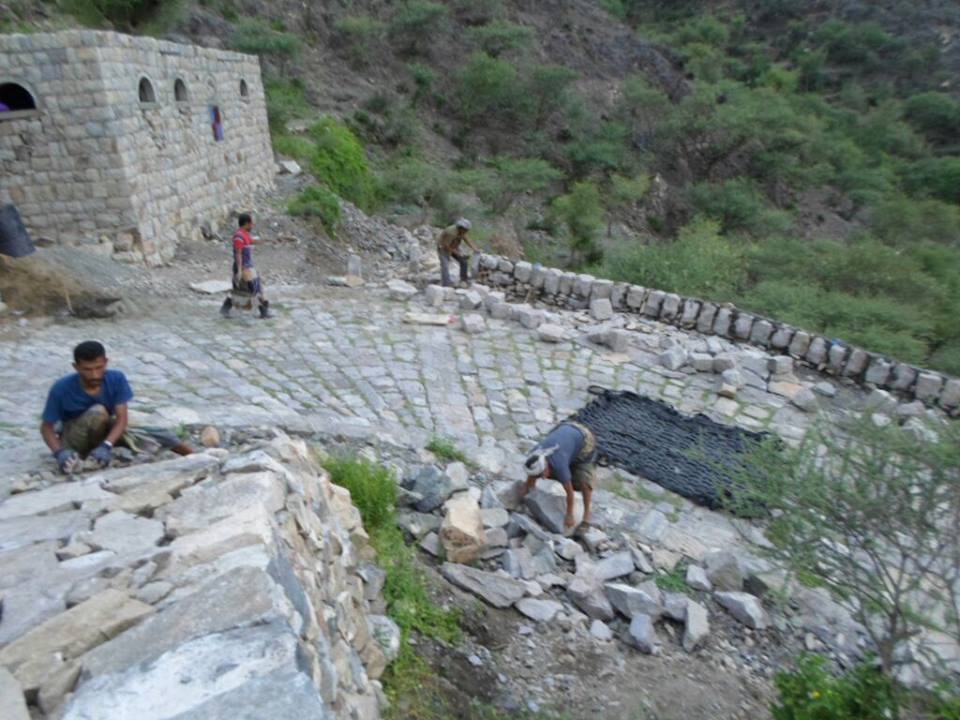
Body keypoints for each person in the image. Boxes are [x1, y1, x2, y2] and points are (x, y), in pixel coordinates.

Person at [40, 341, 194, 474]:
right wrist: (59, 452)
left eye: (99, 368)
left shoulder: (116, 379)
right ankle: (84, 456)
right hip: (76, 437)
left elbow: (122, 418)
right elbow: (46, 428)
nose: (94, 375)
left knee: (154, 431)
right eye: (87, 369)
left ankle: (195, 457)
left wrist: (106, 446)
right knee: (98, 412)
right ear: (76, 367)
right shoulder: (61, 388)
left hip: (105, 432)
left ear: (106, 362)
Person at [519, 420, 598, 533]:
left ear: (546, 467)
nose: (543, 478)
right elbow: (531, 475)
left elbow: (569, 493)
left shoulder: (559, 464)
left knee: (584, 483)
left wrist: (569, 515)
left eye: (542, 475)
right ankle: (570, 456)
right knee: (557, 470)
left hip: (583, 438)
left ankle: (586, 518)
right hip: (562, 429)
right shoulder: (535, 454)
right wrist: (526, 491)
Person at [220, 213, 271, 319]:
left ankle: (225, 309)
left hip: (248, 267)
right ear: (246, 223)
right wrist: (239, 271)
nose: (252, 226)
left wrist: (270, 240)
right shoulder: (239, 237)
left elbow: (253, 241)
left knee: (246, 290)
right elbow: (238, 254)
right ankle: (264, 312)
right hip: (243, 268)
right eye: (251, 223)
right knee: (253, 289)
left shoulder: (245, 234)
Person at [436, 218, 479, 287]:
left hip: (453, 245)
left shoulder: (462, 231)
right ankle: (446, 284)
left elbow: (467, 239)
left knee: (463, 261)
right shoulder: (451, 232)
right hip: (443, 247)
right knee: (445, 266)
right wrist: (457, 253)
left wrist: (475, 248)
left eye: (467, 230)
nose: (466, 232)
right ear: (460, 228)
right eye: (465, 230)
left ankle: (463, 280)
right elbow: (445, 246)